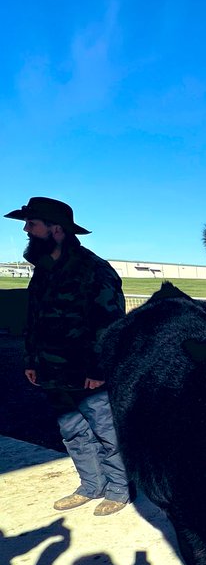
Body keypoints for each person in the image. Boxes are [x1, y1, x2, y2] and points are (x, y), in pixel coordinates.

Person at [5, 196, 130, 516]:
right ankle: (91, 485)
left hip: (87, 371)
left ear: (56, 229)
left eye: (31, 223)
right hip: (51, 369)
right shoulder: (44, 271)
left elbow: (110, 324)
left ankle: (119, 487)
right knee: (72, 429)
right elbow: (34, 318)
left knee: (106, 429)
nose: (26, 229)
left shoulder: (95, 270)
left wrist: (100, 368)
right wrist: (32, 360)